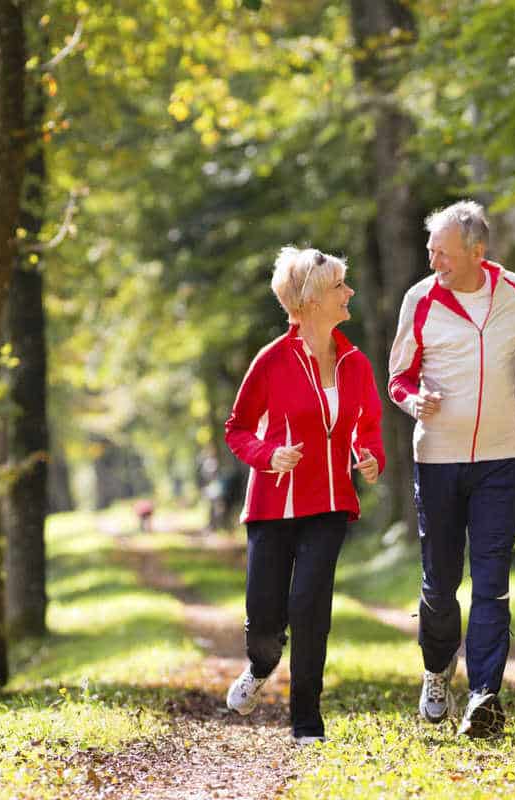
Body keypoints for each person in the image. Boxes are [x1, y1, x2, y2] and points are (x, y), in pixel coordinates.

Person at [388, 200, 515, 738]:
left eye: (443, 251)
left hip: (501, 460)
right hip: (437, 459)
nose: (433, 258)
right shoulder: (420, 300)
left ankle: (484, 695)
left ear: (476, 253)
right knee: (440, 584)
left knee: (492, 581)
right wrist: (415, 402)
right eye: (431, 249)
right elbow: (398, 378)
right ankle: (438, 670)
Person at [224, 246, 385, 744]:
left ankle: (306, 721)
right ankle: (260, 664)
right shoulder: (272, 360)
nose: (349, 292)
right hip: (273, 506)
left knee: (311, 608)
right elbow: (238, 429)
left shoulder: (355, 362)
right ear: (313, 299)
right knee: (266, 621)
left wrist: (369, 455)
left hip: (330, 503)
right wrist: (269, 456)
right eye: (340, 286)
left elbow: (368, 425)